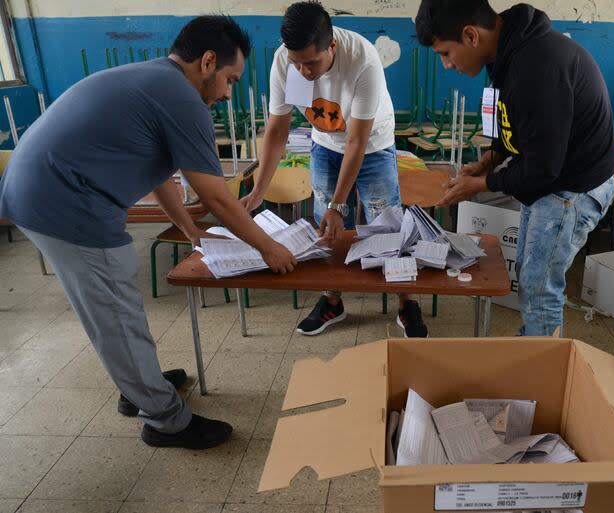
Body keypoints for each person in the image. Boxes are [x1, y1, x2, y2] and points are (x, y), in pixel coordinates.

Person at [0, 16, 297, 449]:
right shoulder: (182, 98)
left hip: (39, 189)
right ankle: (164, 420)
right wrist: (270, 247)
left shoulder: (156, 82)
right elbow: (215, 194)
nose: (229, 92)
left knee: (116, 308)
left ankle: (140, 385)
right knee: (117, 313)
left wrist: (189, 229)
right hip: (63, 203)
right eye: (231, 79)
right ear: (208, 61)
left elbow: (161, 174)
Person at [415, 1, 614, 337]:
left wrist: (479, 184)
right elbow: (517, 129)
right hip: (555, 181)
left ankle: (541, 371)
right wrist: (488, 160)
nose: (446, 65)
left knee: (539, 288)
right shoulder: (507, 54)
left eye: (445, 53)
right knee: (530, 275)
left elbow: (542, 169)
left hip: (572, 190)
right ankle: (534, 344)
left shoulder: (536, 67)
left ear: (470, 36)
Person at [243, 1, 429, 337]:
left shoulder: (363, 60)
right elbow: (277, 130)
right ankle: (332, 300)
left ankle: (406, 302)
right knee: (324, 226)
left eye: (311, 63)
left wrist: (337, 204)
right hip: (324, 145)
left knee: (387, 225)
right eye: (296, 62)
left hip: (373, 145)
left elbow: (356, 143)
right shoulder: (286, 62)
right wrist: (258, 190)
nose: (303, 71)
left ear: (332, 45)